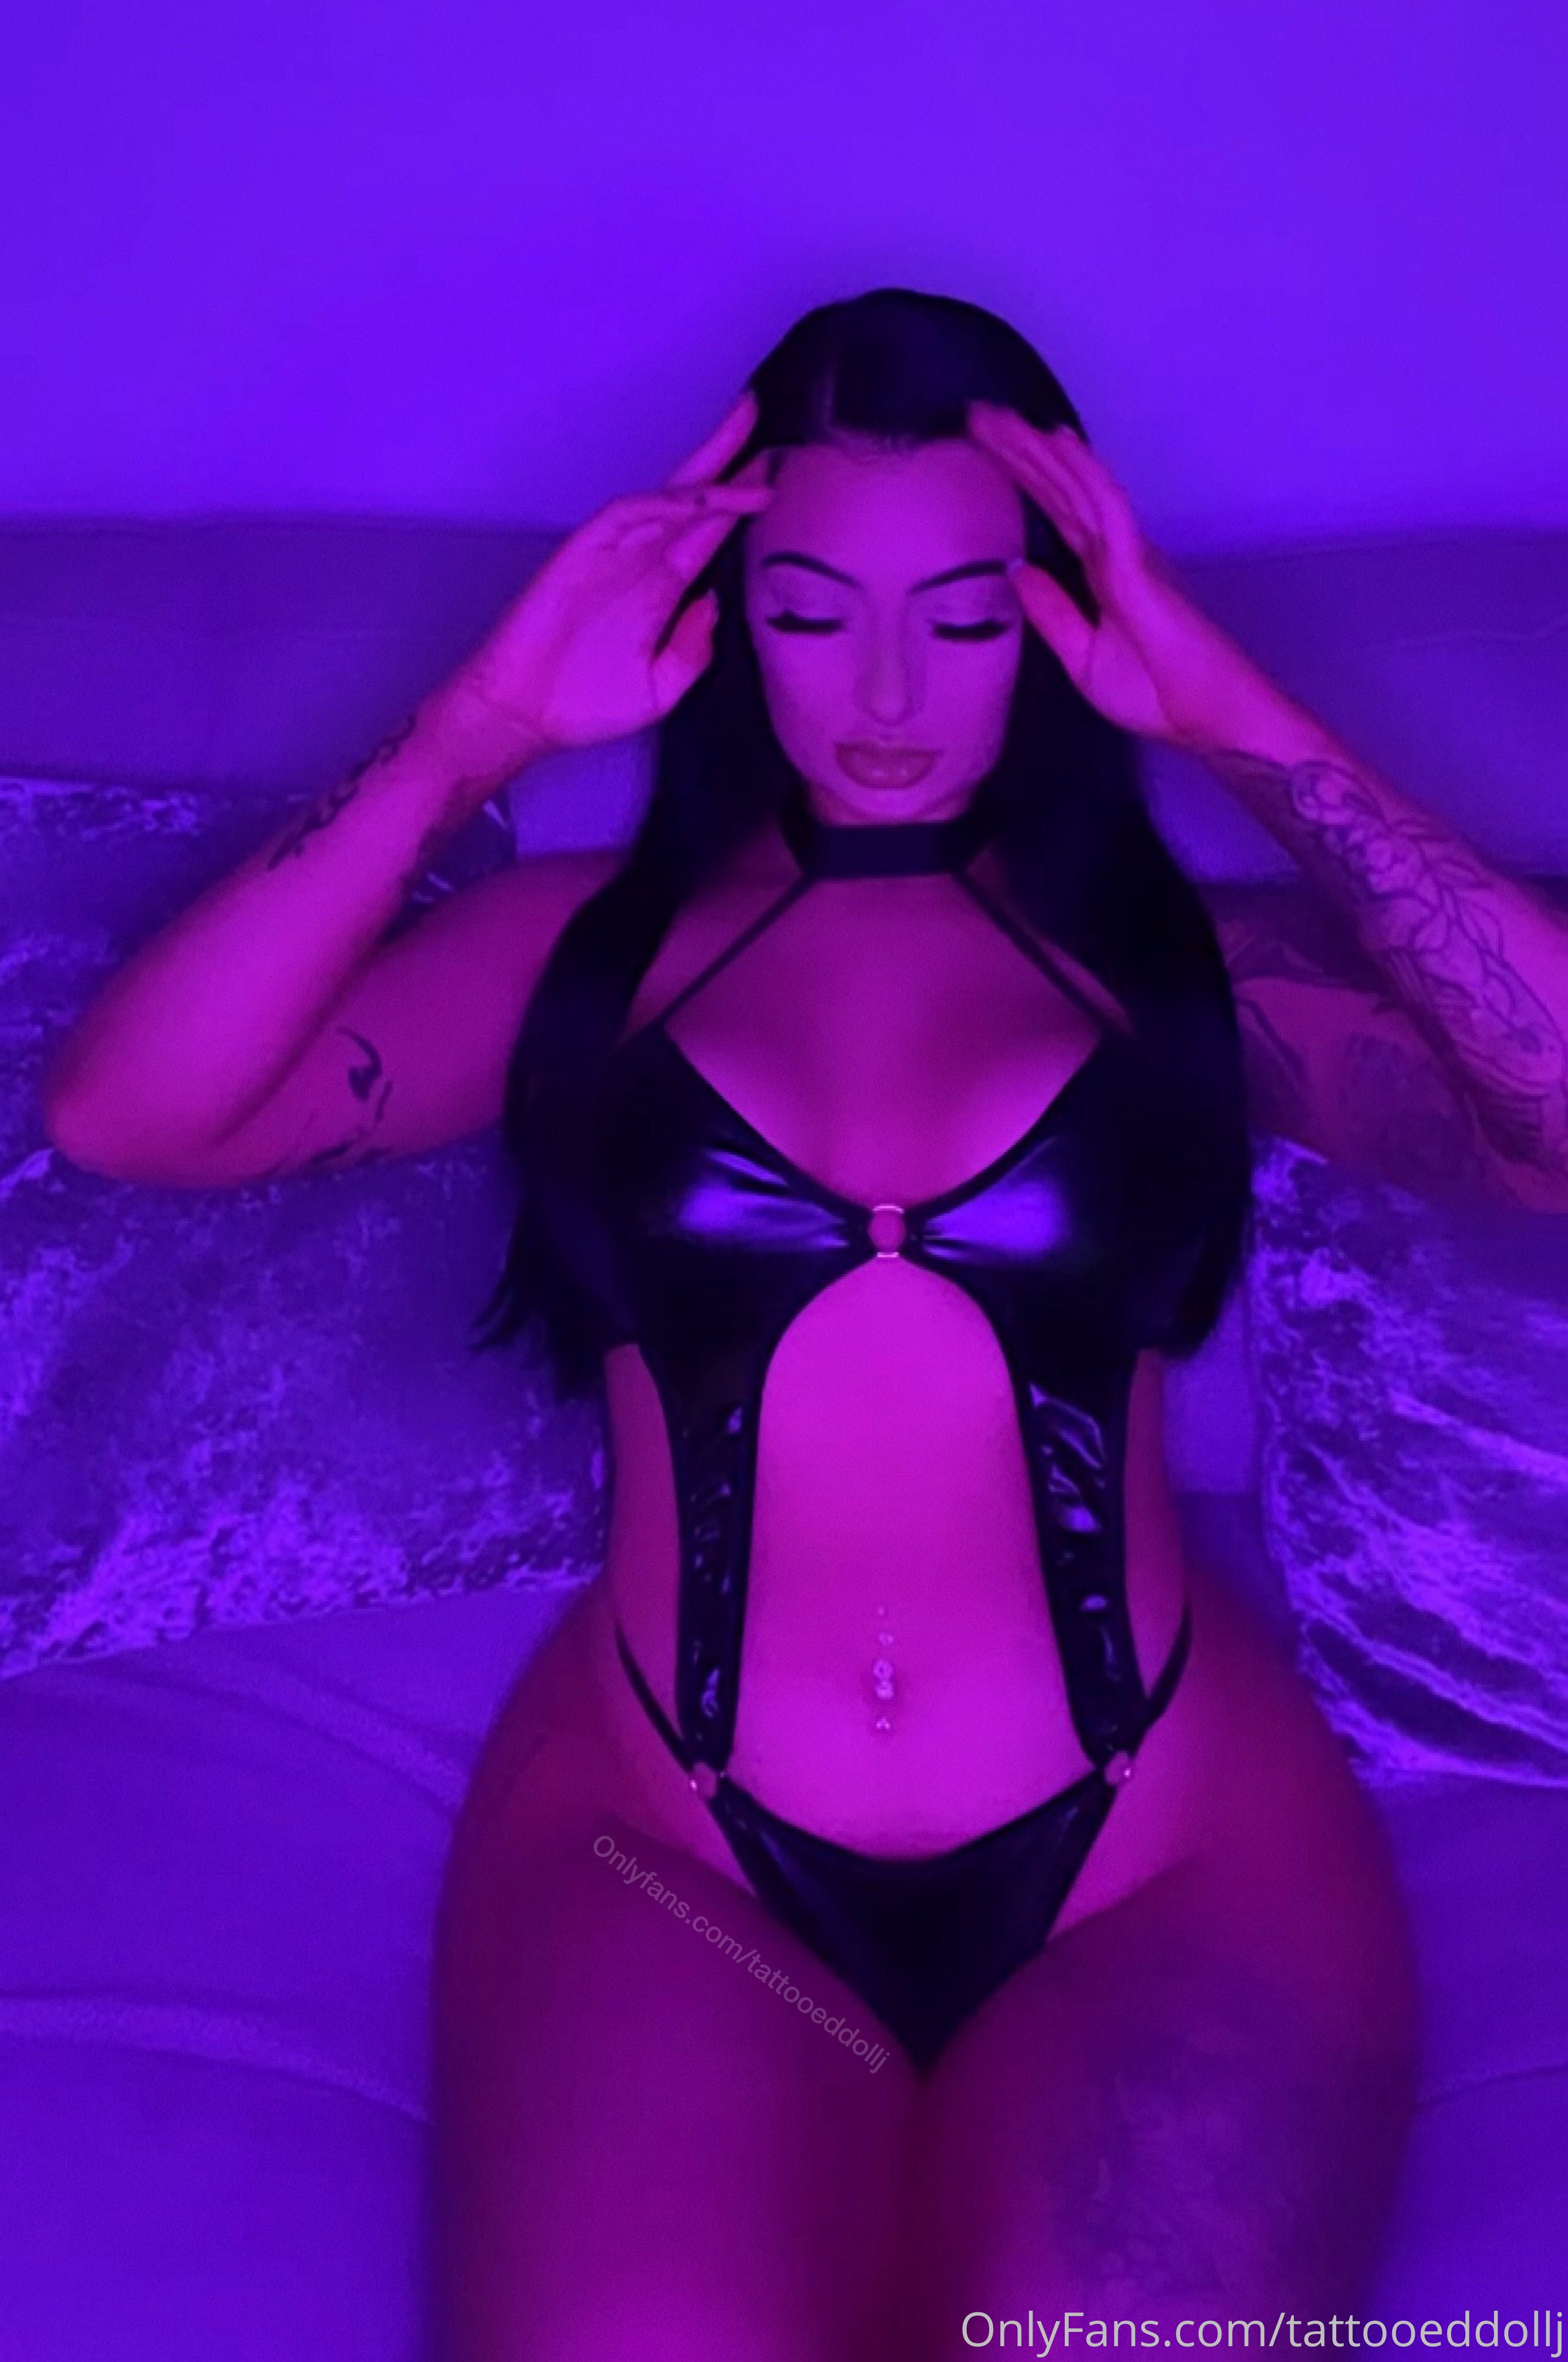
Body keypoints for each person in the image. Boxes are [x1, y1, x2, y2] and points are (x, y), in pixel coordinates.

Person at [66, 281, 1563, 2356]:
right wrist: (476, 730)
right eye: (807, 610)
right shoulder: (574, 959)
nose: (885, 693)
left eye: (964, 617)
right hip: (673, 1853)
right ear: (719, 615)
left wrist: (1241, 720)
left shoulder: (1188, 973)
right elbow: (133, 1115)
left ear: (1054, 620)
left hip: (1156, 1851)